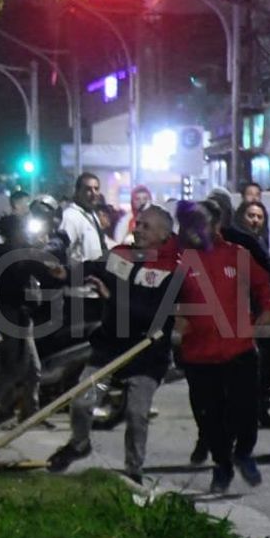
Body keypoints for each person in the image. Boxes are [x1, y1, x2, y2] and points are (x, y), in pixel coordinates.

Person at [46, 206, 181, 483]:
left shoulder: (172, 270)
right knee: (83, 402)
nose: (137, 230)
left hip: (145, 355)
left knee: (136, 413)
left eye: (145, 227)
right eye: (137, 224)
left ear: (163, 234)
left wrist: (110, 298)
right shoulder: (122, 255)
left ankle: (134, 471)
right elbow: (93, 267)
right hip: (109, 351)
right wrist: (65, 273)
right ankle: (79, 444)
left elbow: (151, 314)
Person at [174, 201, 270, 494]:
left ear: (216, 224)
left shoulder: (237, 255)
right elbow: (164, 299)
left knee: (245, 411)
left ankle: (243, 452)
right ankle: (222, 466)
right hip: (198, 355)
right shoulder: (180, 262)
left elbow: (263, 288)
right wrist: (175, 319)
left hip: (239, 350)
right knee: (209, 417)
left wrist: (268, 310)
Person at [0, 213, 68, 425]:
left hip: (11, 314)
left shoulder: (3, 253)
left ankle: (31, 414)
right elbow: (42, 272)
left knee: (33, 370)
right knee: (17, 369)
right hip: (14, 315)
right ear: (16, 232)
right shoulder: (16, 254)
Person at [59, 172, 107, 264]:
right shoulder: (70, 216)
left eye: (96, 189)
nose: (94, 193)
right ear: (77, 192)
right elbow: (63, 252)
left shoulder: (92, 215)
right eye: (88, 189)